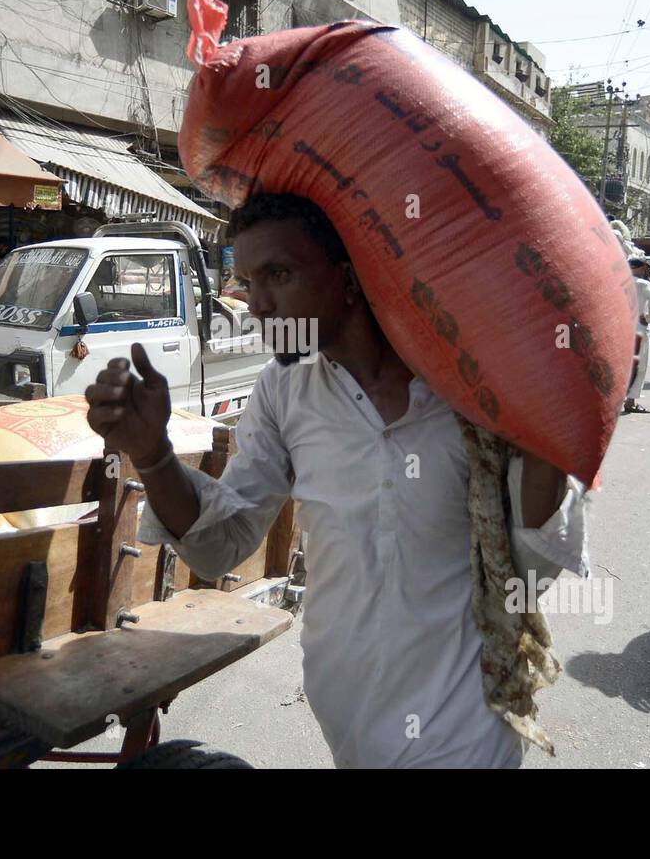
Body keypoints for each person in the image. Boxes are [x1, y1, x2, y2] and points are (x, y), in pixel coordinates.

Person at [84, 193, 592, 769]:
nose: (258, 305)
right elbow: (224, 544)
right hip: (344, 707)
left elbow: (531, 570)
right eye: (247, 280)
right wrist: (153, 456)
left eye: (279, 274)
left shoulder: (471, 393)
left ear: (349, 277)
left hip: (464, 716)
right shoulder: (284, 391)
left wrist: (544, 430)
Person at [624, 258, 650, 414]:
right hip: (638, 329)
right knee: (639, 366)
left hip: (621, 328)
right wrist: (649, 317)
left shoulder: (619, 281)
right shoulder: (644, 284)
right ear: (640, 268)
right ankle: (631, 401)